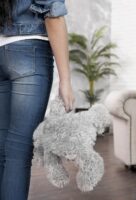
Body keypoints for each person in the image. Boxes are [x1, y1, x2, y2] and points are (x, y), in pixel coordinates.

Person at [0, 0, 74, 199]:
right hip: (29, 54)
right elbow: (54, 16)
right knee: (18, 150)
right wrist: (65, 80)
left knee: (2, 148)